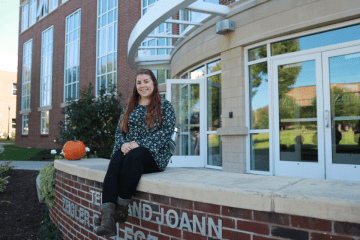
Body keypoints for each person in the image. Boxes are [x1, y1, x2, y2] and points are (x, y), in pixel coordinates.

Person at [96, 69, 176, 237]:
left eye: (146, 81)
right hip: (130, 152)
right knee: (117, 158)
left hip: (154, 154)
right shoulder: (129, 106)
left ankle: (121, 210)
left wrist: (138, 144)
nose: (142, 86)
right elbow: (119, 132)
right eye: (139, 83)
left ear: (154, 83)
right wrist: (123, 144)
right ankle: (108, 220)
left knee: (134, 155)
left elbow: (165, 132)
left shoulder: (165, 106)